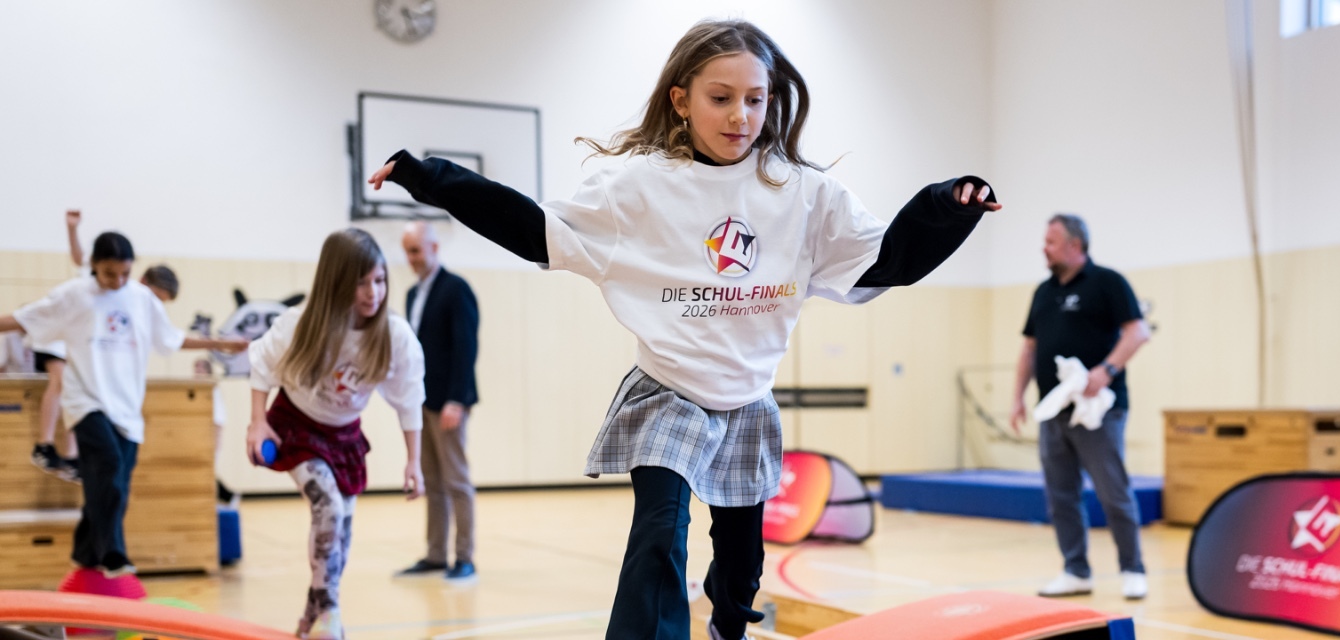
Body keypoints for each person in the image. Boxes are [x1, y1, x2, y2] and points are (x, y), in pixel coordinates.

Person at [368, 19, 999, 640]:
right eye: (720, 99)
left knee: (741, 567)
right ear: (682, 100)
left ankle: (730, 627)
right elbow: (532, 228)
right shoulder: (638, 188)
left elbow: (885, 260)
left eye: (755, 100)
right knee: (659, 532)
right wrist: (430, 179)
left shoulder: (803, 193)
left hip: (747, 400)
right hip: (668, 392)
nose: (740, 117)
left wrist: (946, 208)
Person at [0, 231, 246, 578]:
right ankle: (114, 554)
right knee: (108, 464)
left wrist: (222, 343)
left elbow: (172, 339)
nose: (117, 282)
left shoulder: (142, 299)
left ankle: (83, 554)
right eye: (108, 274)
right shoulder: (75, 295)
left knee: (114, 485)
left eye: (124, 274)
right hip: (85, 401)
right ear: (94, 267)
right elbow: (23, 318)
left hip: (127, 409)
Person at [246, 228, 426, 640]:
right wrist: (258, 422)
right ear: (336, 282)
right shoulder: (301, 323)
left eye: (379, 280)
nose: (372, 293)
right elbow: (261, 364)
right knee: (327, 505)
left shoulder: (394, 336)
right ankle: (331, 610)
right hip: (298, 425)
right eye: (360, 282)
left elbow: (408, 398)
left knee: (341, 526)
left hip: (344, 435)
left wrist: (413, 460)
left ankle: (311, 614)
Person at [1010, 213, 1152, 600]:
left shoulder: (1108, 283)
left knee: (1112, 492)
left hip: (1098, 411)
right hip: (1052, 411)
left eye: (1051, 241)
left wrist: (1106, 370)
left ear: (1075, 245)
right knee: (1060, 495)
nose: (1044, 248)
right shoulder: (1043, 292)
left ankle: (1132, 568)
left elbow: (1138, 331)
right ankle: (1075, 570)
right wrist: (1017, 397)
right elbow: (1029, 348)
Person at [395, 222, 480, 582]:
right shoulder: (414, 295)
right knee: (432, 479)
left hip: (448, 401)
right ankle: (434, 555)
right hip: (423, 400)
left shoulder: (455, 289)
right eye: (407, 251)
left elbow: (466, 347)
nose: (411, 258)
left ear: (434, 247)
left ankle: (464, 558)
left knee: (456, 479)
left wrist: (457, 400)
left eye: (416, 250)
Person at [30, 209, 87, 481]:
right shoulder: (95, 279)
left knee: (77, 388)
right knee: (61, 381)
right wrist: (72, 230)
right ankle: (44, 445)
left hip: (71, 340)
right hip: (52, 333)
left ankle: (73, 455)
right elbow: (79, 258)